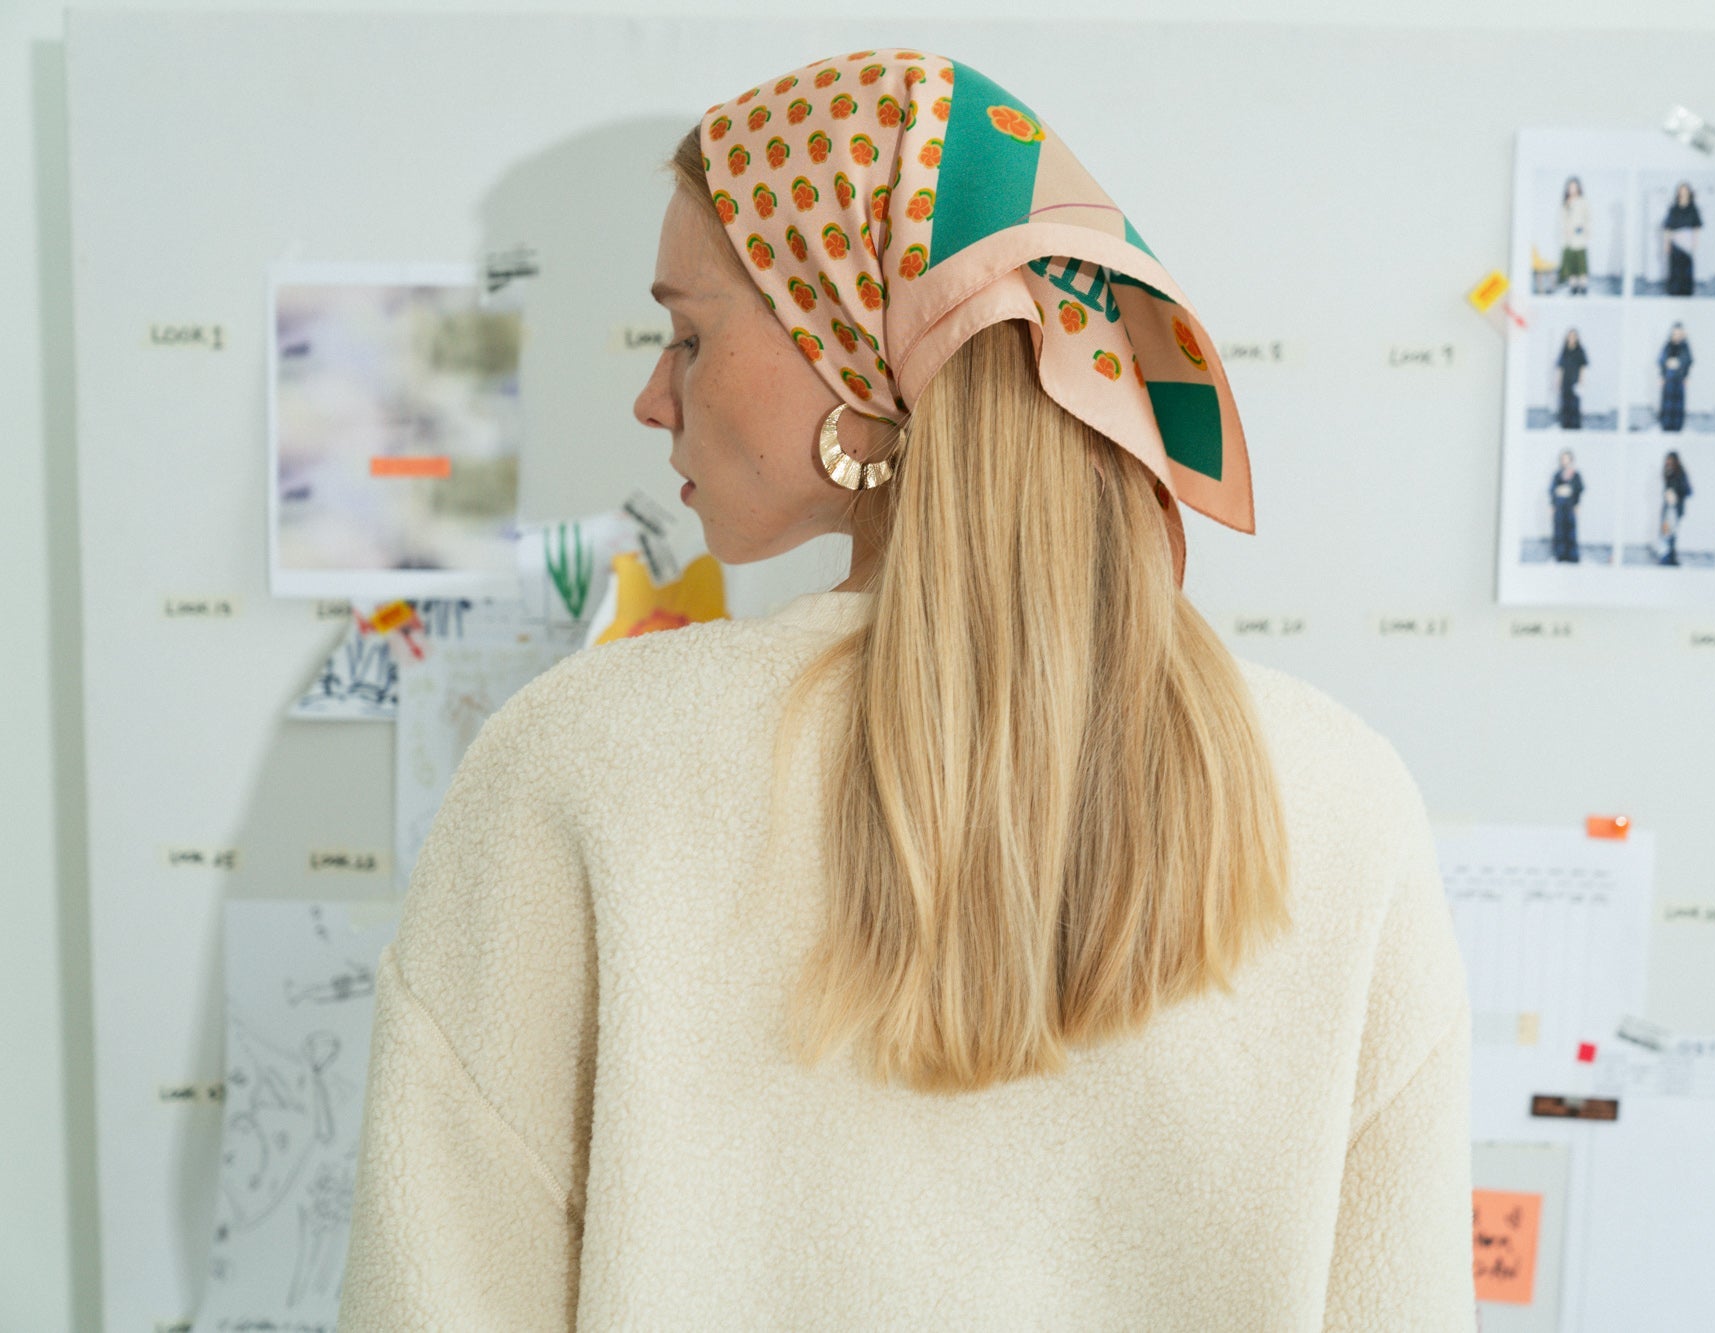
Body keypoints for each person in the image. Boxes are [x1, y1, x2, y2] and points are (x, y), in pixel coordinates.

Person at [336, 49, 1475, 1332]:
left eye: (691, 332)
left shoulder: (581, 769)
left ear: (857, 351)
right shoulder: (1338, 801)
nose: (654, 395)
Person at [1650, 451, 1693, 565]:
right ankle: (1665, 557)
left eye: (1670, 460)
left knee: (1671, 534)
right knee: (1665, 533)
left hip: (1675, 509)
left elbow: (1688, 491)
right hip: (1668, 509)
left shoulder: (1680, 474)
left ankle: (1670, 558)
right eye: (1667, 460)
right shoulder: (1667, 473)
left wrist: (1676, 495)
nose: (1668, 463)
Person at [1662, 181, 1702, 296]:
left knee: (1687, 268)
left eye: (1685, 190)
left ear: (1689, 192)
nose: (1683, 193)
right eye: (1681, 190)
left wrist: (1695, 242)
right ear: (1678, 193)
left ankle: (1686, 292)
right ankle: (1674, 291)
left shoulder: (1693, 209)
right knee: (1674, 267)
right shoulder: (1673, 208)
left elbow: (1696, 227)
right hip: (1675, 242)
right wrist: (1666, 243)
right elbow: (1668, 227)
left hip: (1687, 243)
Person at [1548, 449, 1585, 561]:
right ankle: (1560, 555)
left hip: (1570, 506)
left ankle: (1572, 555)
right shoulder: (1557, 475)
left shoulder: (1575, 474)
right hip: (1559, 506)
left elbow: (1579, 489)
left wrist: (1577, 504)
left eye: (1566, 458)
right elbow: (1552, 490)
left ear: (1571, 460)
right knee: (1559, 530)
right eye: (1562, 458)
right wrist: (1552, 505)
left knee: (1571, 530)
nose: (1564, 461)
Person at [1657, 322, 1693, 431]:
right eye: (1675, 333)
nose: (1677, 335)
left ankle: (1677, 426)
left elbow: (1688, 360)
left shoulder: (1685, 347)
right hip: (1668, 379)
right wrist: (1663, 373)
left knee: (1678, 404)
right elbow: (1661, 359)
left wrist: (1679, 364)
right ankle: (1666, 425)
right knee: (1667, 404)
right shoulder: (1668, 345)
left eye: (1679, 333)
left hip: (1679, 379)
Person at [1558, 176, 1590, 295]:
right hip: (1568, 238)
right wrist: (1565, 230)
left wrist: (1583, 229)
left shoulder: (1583, 201)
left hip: (1579, 236)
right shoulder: (1565, 203)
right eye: (1570, 187)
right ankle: (1573, 286)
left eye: (1574, 186)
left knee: (1581, 263)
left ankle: (1583, 286)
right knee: (1570, 263)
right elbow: (1562, 219)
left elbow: (1587, 218)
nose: (1572, 189)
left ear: (1578, 188)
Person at [1555, 327, 1588, 429]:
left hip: (1575, 381)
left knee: (1575, 404)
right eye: (1570, 336)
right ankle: (1565, 424)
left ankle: (1575, 425)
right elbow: (1560, 367)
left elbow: (1583, 366)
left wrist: (1581, 380)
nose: (1572, 338)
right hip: (1565, 381)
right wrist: (1558, 381)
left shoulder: (1580, 351)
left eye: (1574, 336)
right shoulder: (1564, 351)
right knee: (1565, 403)